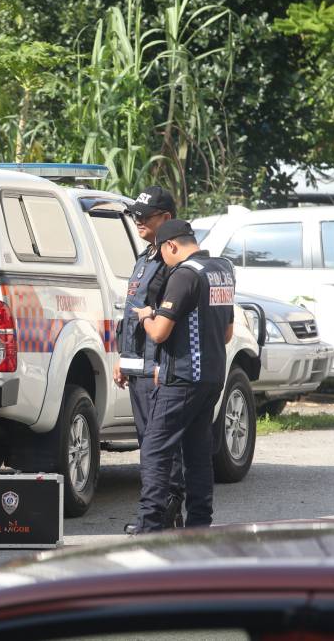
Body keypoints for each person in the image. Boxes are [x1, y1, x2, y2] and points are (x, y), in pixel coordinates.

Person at [131, 219, 236, 533]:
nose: (164, 262)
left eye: (163, 255)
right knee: (197, 450)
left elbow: (161, 333)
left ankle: (150, 525)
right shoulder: (222, 270)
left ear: (171, 246)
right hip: (213, 375)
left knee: (154, 448)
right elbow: (228, 333)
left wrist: (146, 317)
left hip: (184, 377)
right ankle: (200, 524)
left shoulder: (184, 275)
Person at [113, 186, 186, 534]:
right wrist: (122, 357)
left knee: (160, 446)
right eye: (135, 216)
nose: (138, 221)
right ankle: (162, 513)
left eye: (145, 217)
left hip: (158, 368)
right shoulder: (145, 259)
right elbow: (132, 315)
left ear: (166, 219)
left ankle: (162, 512)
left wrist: (159, 364)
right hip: (137, 365)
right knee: (149, 443)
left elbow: (167, 320)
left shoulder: (173, 266)